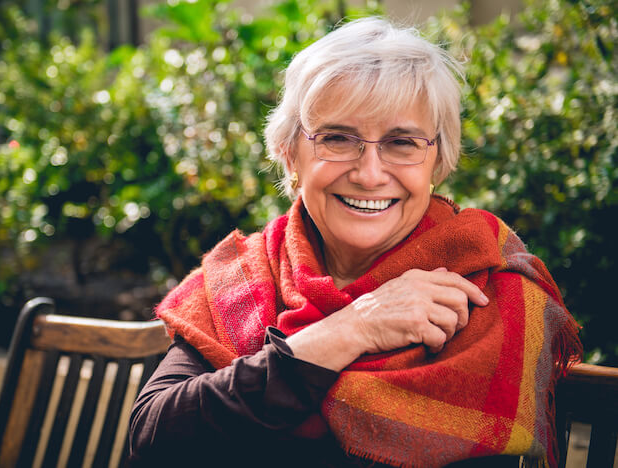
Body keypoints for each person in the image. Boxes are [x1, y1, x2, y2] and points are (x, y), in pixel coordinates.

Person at [128, 17, 581, 468]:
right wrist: (352, 329)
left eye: (401, 142)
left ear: (437, 161)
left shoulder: (486, 282)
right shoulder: (242, 276)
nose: (369, 173)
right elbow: (154, 435)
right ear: (290, 154)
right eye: (338, 139)